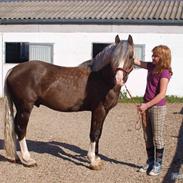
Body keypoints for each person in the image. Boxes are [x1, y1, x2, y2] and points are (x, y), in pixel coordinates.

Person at [134, 45, 173, 176]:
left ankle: (158, 164)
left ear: (163, 57)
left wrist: (146, 105)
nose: (153, 57)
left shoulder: (165, 72)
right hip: (146, 104)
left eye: (156, 55)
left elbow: (162, 94)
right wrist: (126, 50)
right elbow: (137, 61)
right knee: (147, 137)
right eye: (153, 55)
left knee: (157, 137)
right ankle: (150, 161)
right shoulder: (151, 66)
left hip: (157, 107)